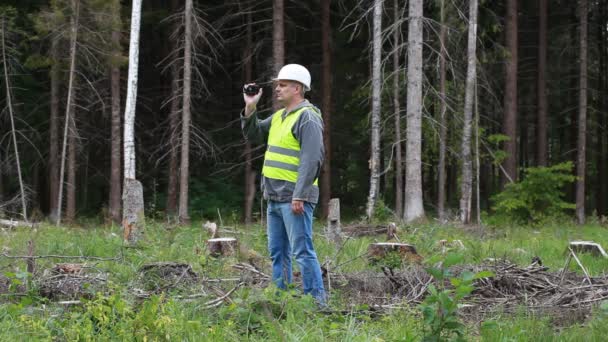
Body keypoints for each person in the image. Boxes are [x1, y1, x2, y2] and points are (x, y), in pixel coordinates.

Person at [241, 64, 326, 304]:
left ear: (297, 88)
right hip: (275, 197)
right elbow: (253, 134)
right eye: (278, 85)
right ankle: (281, 299)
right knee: (278, 253)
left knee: (302, 252)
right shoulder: (280, 116)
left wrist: (300, 195)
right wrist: (250, 106)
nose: (277, 89)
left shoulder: (308, 117)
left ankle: (317, 303)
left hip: (294, 199)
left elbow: (312, 159)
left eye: (283, 85)